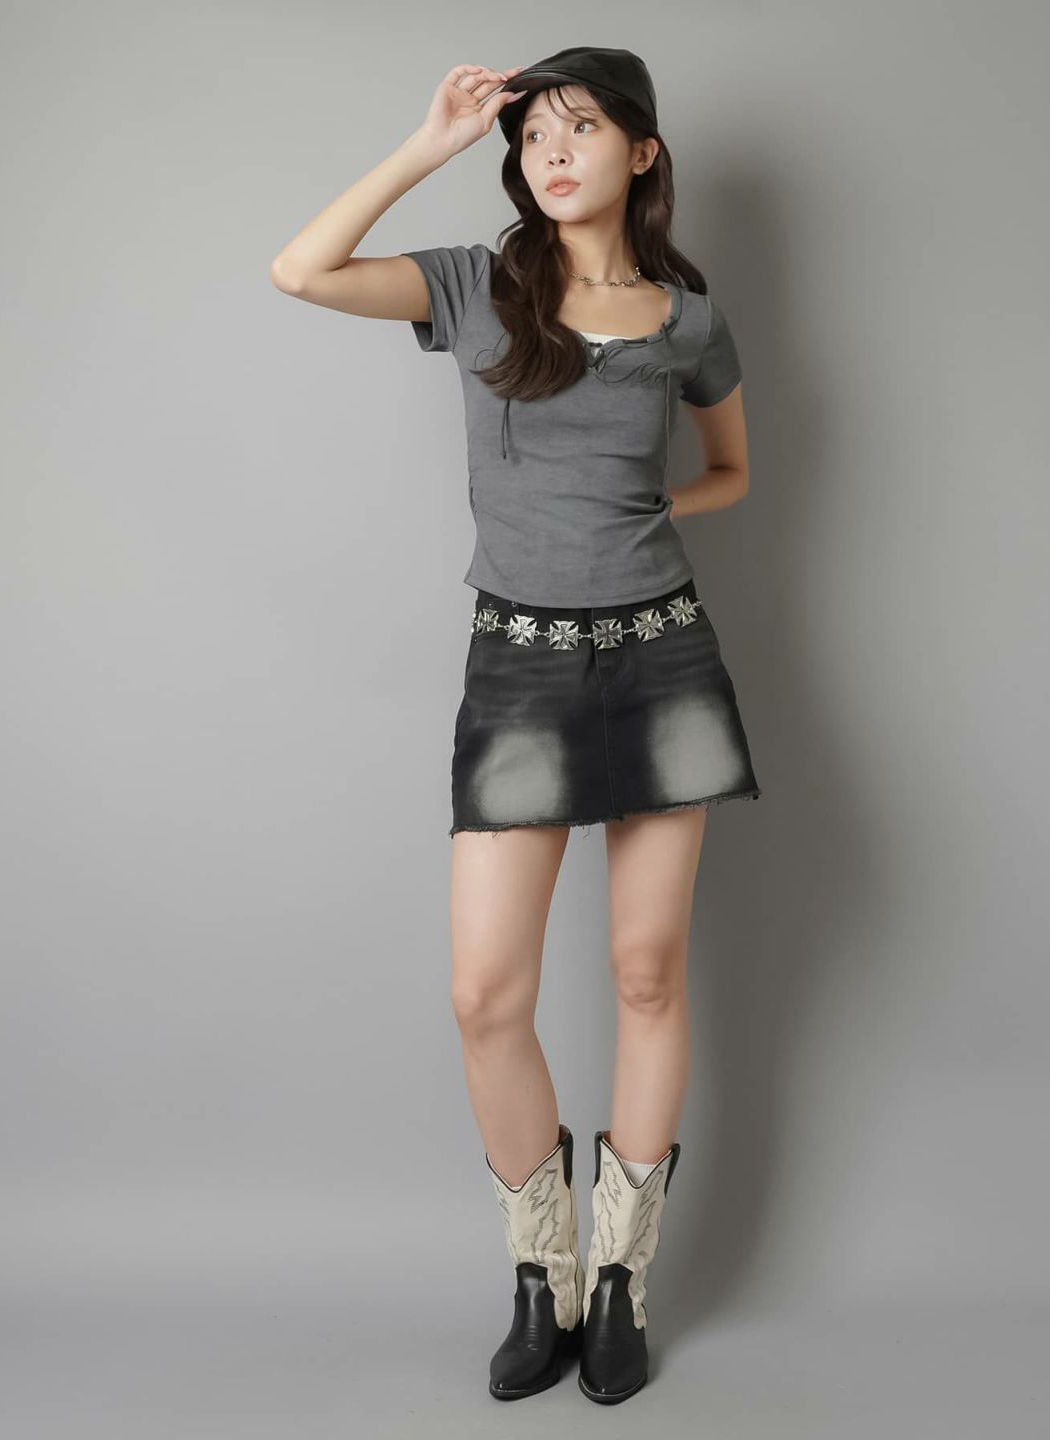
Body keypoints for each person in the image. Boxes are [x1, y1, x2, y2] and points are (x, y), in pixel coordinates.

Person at [270, 46, 761, 1406]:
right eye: (533, 132)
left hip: (662, 658)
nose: (550, 150)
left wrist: (659, 513)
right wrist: (429, 143)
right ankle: (543, 1275)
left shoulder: (685, 318)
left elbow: (732, 470)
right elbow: (300, 270)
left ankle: (621, 1284)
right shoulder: (477, 289)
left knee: (648, 973)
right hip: (523, 666)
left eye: (581, 127)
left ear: (641, 153)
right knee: (486, 994)